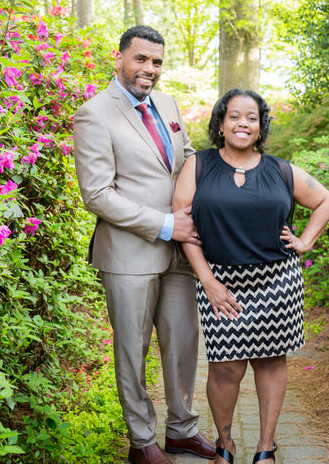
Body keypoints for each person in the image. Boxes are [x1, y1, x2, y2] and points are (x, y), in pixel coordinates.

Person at [74, 26, 216, 464]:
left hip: (180, 251)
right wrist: (164, 224)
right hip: (129, 253)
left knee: (183, 341)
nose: (149, 69)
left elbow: (188, 156)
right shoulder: (94, 113)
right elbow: (96, 194)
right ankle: (142, 443)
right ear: (119, 58)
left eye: (156, 61)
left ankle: (182, 431)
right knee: (132, 350)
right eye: (140, 59)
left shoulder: (169, 105)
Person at [173, 89, 329, 464]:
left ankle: (266, 446)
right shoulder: (198, 166)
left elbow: (326, 200)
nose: (242, 123)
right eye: (233, 116)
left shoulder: (280, 170)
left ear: (261, 127)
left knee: (270, 361)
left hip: (278, 280)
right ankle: (225, 444)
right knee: (225, 366)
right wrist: (208, 281)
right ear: (220, 123)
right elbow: (185, 229)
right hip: (220, 281)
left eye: (251, 117)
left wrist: (305, 240)